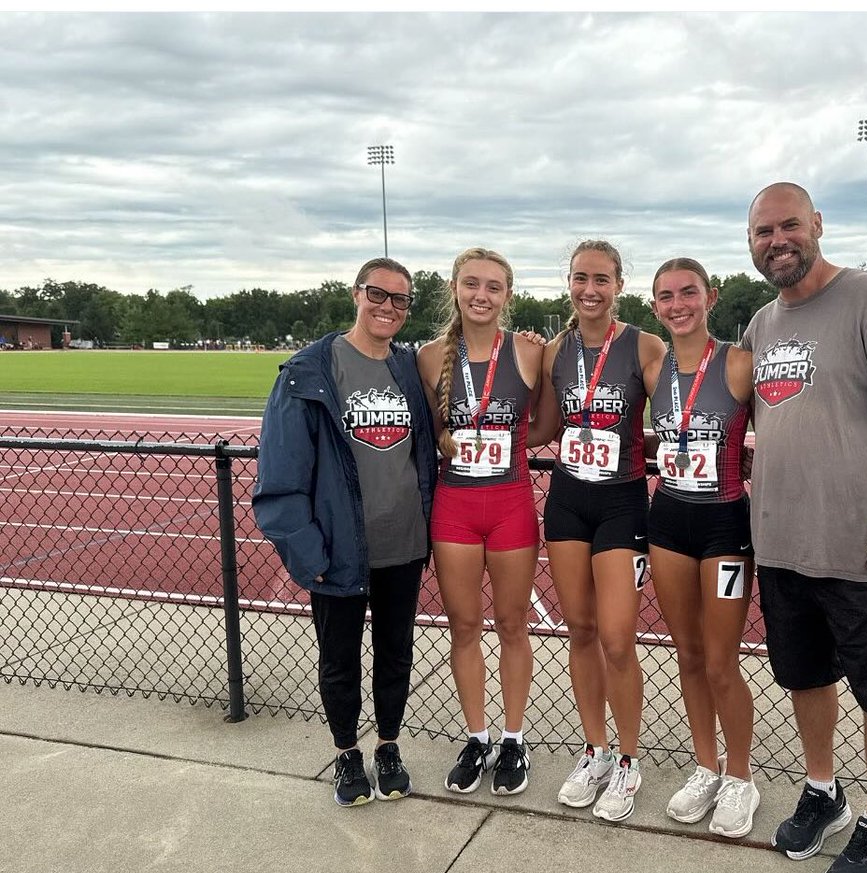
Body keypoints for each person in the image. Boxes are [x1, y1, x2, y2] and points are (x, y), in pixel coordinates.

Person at [742, 183, 867, 873]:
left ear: (818, 225)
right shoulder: (761, 324)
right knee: (805, 676)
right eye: (763, 231)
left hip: (862, 546)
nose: (777, 241)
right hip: (781, 543)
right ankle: (823, 791)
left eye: (789, 225)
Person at [252, 257, 438, 807]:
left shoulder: (408, 368)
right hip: (338, 549)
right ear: (356, 294)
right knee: (339, 661)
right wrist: (307, 553)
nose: (388, 307)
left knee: (395, 655)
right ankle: (346, 753)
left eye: (400, 299)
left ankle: (387, 746)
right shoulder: (308, 371)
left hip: (403, 545)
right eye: (377, 294)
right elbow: (281, 473)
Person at [535, 239, 666, 823]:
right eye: (581, 278)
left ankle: (629, 759)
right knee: (581, 631)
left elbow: (677, 413)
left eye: (601, 280)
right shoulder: (554, 351)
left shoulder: (644, 345)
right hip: (567, 502)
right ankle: (594, 750)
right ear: (569, 283)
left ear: (618, 286)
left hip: (621, 504)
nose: (590, 290)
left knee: (617, 638)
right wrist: (470, 433)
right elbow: (543, 426)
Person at [416, 248, 544, 797]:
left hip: (511, 505)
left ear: (507, 295)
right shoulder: (428, 357)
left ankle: (513, 738)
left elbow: (548, 424)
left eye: (493, 287)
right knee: (464, 627)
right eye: (471, 284)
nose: (481, 295)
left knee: (513, 626)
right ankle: (477, 737)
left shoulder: (530, 352)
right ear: (454, 288)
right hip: (455, 509)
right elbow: (431, 428)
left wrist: (506, 443)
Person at [644, 258, 759, 837]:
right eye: (666, 296)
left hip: (725, 525)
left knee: (720, 660)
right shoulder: (653, 367)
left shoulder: (738, 363)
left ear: (710, 297)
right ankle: (706, 766)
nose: (678, 305)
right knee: (687, 654)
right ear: (655, 306)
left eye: (688, 292)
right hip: (668, 521)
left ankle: (740, 776)